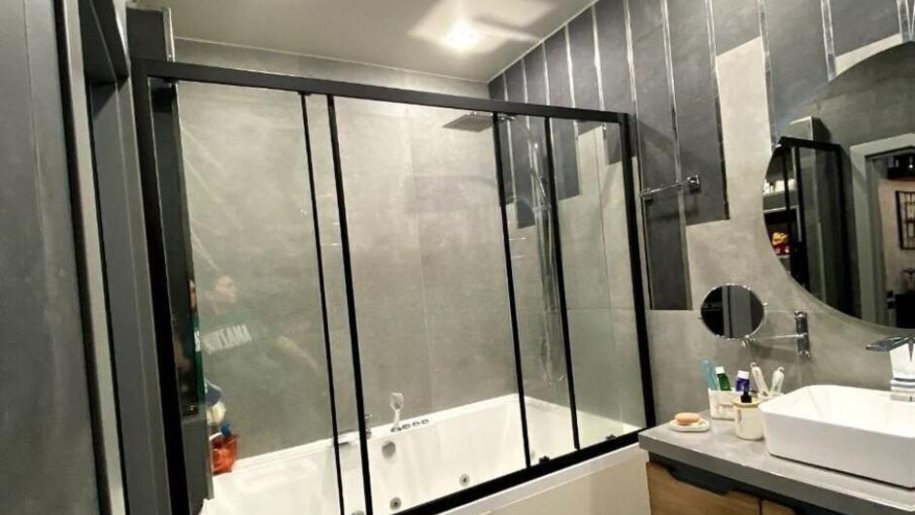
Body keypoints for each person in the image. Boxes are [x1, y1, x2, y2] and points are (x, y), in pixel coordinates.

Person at [198, 274, 322, 455]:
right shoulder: (201, 326)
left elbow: (277, 340)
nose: (235, 289)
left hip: (271, 388)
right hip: (234, 400)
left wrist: (308, 361)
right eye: (228, 285)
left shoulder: (244, 316)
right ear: (210, 294)